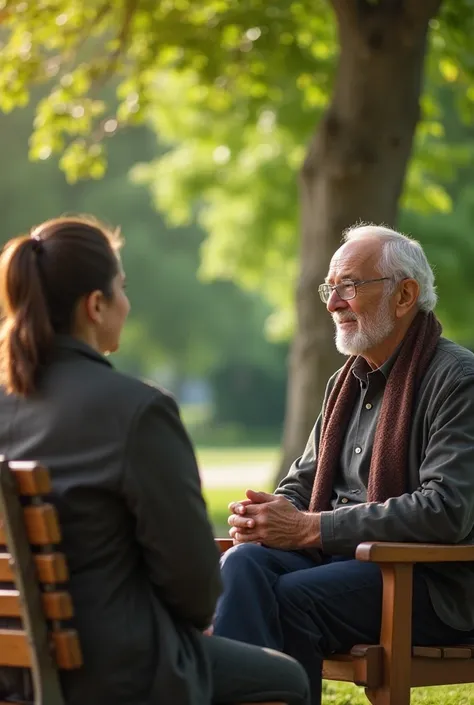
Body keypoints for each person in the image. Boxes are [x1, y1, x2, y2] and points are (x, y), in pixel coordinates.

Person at [0, 216, 310, 705]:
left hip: (10, 666)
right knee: (287, 680)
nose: (127, 302)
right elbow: (195, 589)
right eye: (122, 288)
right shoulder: (137, 411)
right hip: (118, 671)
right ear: (95, 306)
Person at [213, 224, 474, 705]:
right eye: (330, 288)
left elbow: (446, 510)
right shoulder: (345, 381)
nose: (333, 303)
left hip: (426, 582)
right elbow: (301, 484)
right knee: (243, 561)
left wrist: (312, 528)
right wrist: (267, 517)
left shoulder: (457, 380)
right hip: (342, 563)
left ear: (404, 296)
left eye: (349, 286)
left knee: (292, 598)